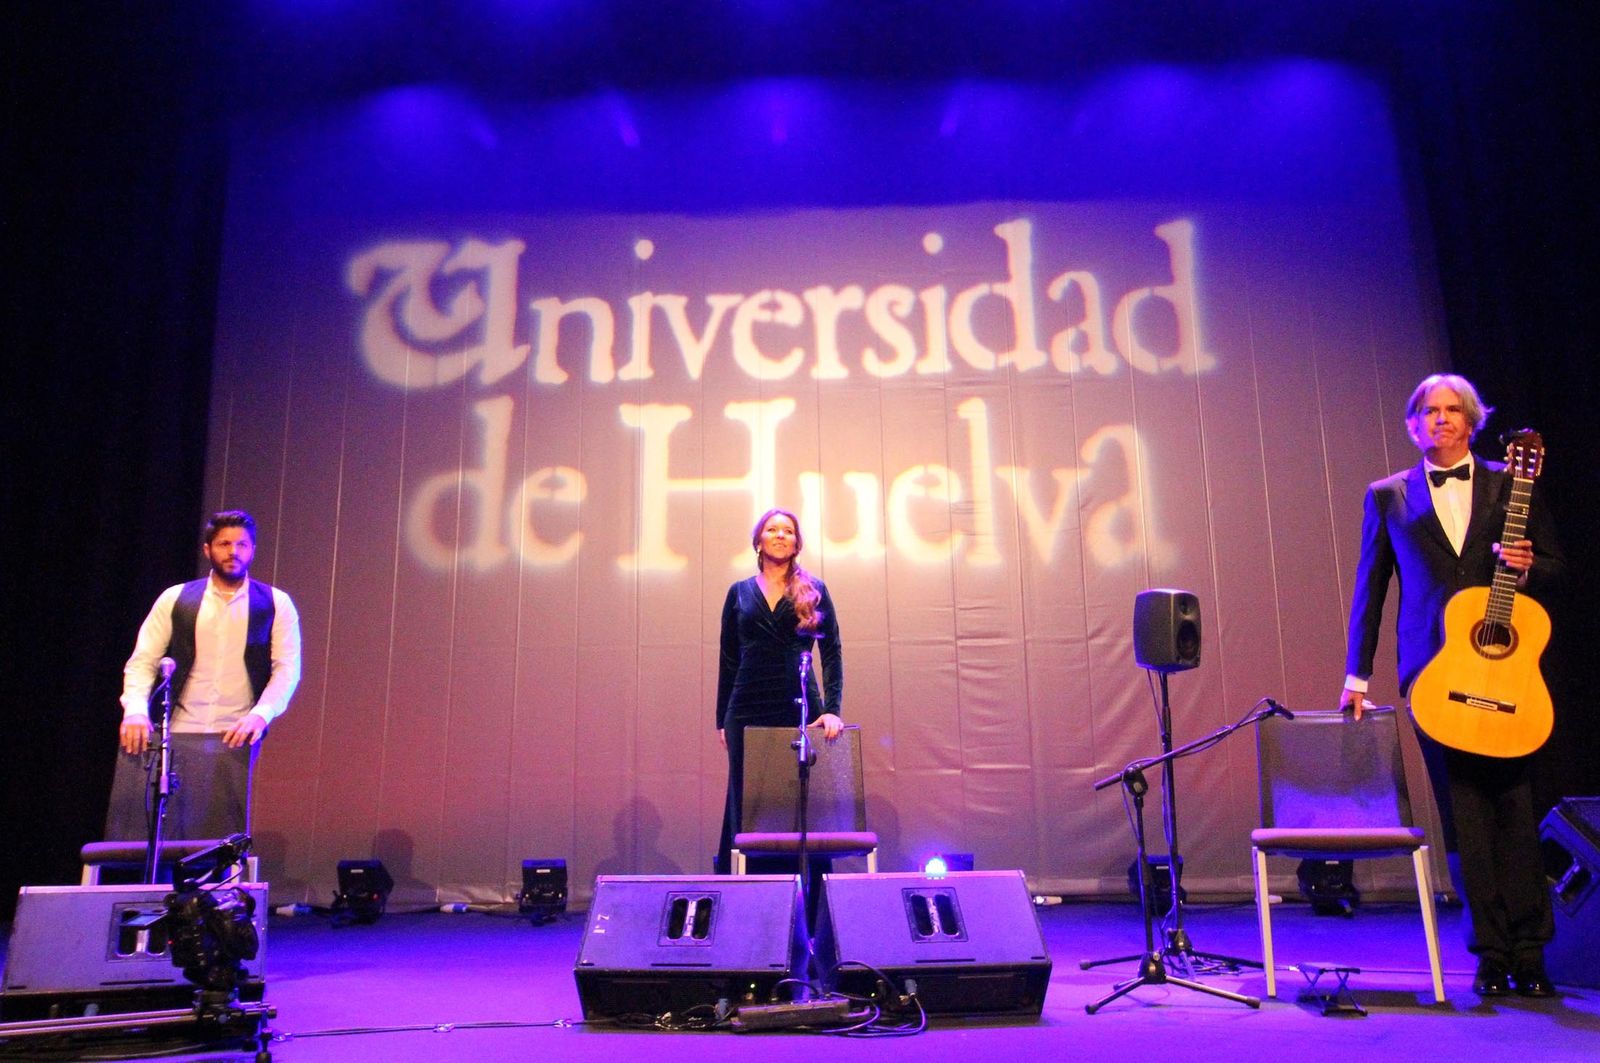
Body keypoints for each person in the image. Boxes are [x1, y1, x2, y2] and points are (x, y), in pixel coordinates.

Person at [1341, 373, 1565, 997]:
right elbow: (1372, 588)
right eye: (1428, 412)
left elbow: (1555, 566)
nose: (1440, 420)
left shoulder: (1511, 483)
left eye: (1452, 411)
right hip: (1432, 672)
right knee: (1463, 813)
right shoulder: (1387, 495)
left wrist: (1528, 566)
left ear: (1472, 422)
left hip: (1503, 666)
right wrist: (1356, 676)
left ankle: (1532, 951)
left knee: (1515, 809)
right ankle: (1490, 954)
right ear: (1413, 424)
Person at [106, 510, 302, 843]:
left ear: (253, 550)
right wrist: (136, 710)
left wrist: (261, 714)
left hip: (233, 736)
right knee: (159, 836)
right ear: (208, 549)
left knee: (220, 839)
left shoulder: (274, 603)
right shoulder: (177, 598)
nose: (233, 551)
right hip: (176, 732)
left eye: (242, 544)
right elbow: (143, 661)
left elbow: (287, 668)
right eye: (224, 543)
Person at [715, 508, 844, 880]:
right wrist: (721, 718)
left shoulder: (815, 589)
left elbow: (832, 652)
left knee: (800, 803)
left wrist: (833, 709)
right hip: (745, 707)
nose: (780, 535)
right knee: (746, 801)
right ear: (758, 540)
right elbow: (727, 658)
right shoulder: (738, 592)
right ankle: (747, 893)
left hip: (800, 705)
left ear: (796, 542)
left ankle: (808, 902)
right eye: (772, 529)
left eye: (788, 531)